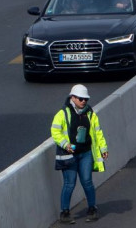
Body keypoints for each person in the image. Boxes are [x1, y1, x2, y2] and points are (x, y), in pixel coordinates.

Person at [51, 84, 108, 224]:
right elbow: (55, 132)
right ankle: (65, 212)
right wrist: (66, 144)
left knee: (87, 181)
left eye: (85, 99)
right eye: (81, 99)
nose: (83, 101)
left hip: (86, 153)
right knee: (69, 184)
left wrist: (103, 148)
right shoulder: (62, 114)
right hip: (69, 155)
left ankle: (92, 209)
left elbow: (97, 132)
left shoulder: (90, 114)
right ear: (73, 98)